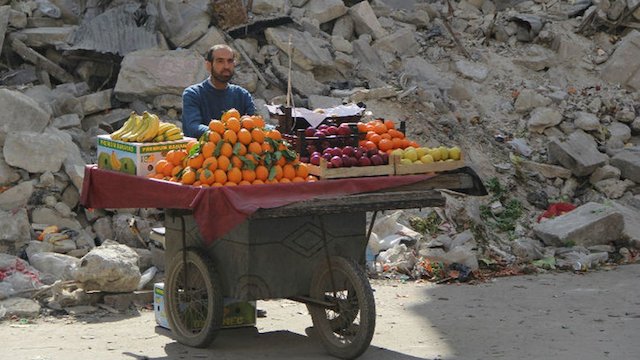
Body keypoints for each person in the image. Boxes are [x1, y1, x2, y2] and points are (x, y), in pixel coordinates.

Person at [182, 44, 256, 139]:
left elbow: (254, 125)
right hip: (204, 151)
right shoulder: (193, 94)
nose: (226, 66)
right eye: (220, 61)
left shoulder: (242, 95)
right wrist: (225, 133)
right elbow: (192, 128)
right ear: (208, 65)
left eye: (230, 61)